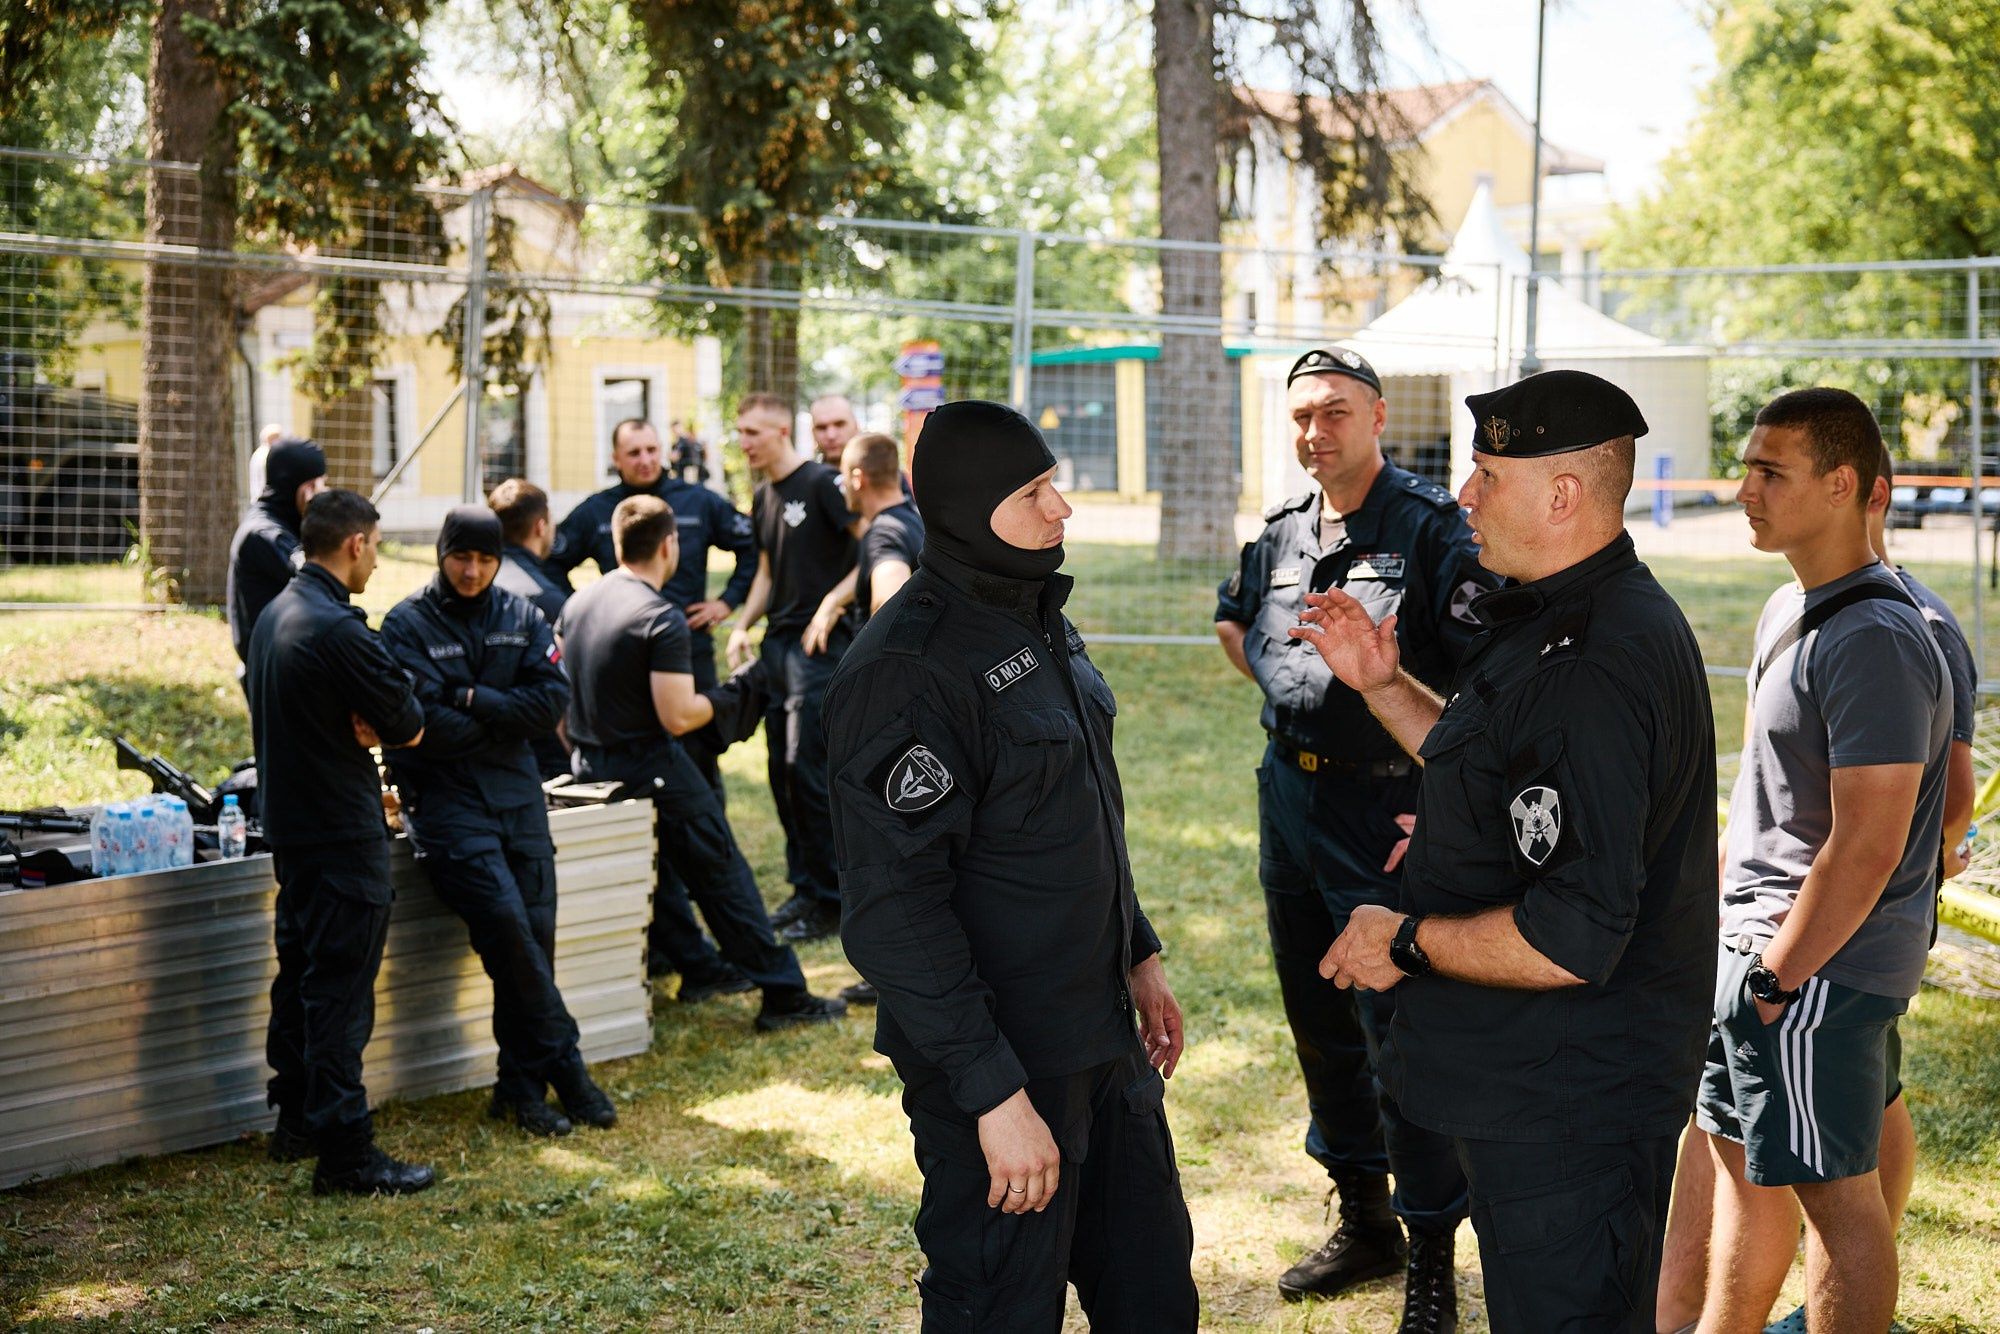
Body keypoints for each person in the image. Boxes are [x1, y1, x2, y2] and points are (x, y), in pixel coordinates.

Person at [1295, 370, 1717, 1332]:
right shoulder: (1555, 611)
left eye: (1487, 474)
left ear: (1563, 494)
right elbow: (1496, 767)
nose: (1464, 495)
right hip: (1537, 1085)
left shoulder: (1601, 659)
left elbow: (1571, 935)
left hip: (1576, 1100)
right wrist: (1385, 684)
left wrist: (1401, 938)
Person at [825, 400, 1198, 1331]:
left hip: (1103, 1042)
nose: (1061, 509)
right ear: (967, 507)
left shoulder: (1034, 614)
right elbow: (893, 911)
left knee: (1154, 1292)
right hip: (1002, 1063)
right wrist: (993, 1096)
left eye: (1053, 484)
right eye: (1035, 492)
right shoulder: (906, 668)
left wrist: (1138, 955)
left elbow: (1081, 813)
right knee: (1000, 1307)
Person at [1653, 439, 1976, 1334]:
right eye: (1746, 468)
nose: (1743, 489)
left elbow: (1874, 841)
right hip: (1756, 951)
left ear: (1847, 487)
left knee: (1837, 1198)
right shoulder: (1788, 606)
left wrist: (1777, 973)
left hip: (1809, 971)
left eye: (1770, 473)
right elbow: (1766, 800)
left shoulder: (1883, 634)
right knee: (1742, 1168)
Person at [1214, 347, 1487, 1326]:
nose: (1313, 433)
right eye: (1298, 416)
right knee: (1316, 1014)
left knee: (1394, 1029)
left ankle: (1431, 1254)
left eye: (1333, 412)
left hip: (1382, 811)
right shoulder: (1284, 528)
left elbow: (1478, 684)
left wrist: (1435, 788)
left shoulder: (1425, 530)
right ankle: (1364, 1217)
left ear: (1376, 416)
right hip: (1288, 798)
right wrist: (1300, 713)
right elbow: (1231, 621)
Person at [557, 494, 846, 1029]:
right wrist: (742, 689)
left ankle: (700, 969)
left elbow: (564, 697)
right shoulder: (657, 617)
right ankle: (784, 995)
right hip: (653, 764)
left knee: (658, 871)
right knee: (723, 874)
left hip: (592, 765)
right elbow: (679, 716)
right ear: (671, 545)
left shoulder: (578, 604)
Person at [379, 506, 617, 1138]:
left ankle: (518, 1090)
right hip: (446, 805)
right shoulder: (405, 624)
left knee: (532, 941)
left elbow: (550, 701)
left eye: (485, 560)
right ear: (441, 552)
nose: (473, 570)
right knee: (509, 933)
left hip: (518, 801)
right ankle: (568, 1069)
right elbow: (420, 727)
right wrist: (496, 716)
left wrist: (471, 699)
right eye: (462, 557)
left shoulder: (522, 614)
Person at [247, 488, 434, 1196]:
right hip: (339, 831)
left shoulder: (275, 613)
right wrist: (378, 717)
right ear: (356, 543)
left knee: (299, 978)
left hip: (292, 826)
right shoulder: (338, 629)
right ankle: (346, 1154)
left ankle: (294, 1122)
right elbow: (410, 722)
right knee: (340, 993)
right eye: (377, 548)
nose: (378, 564)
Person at [725, 392, 863, 943]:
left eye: (752, 432)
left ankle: (832, 900)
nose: (744, 442)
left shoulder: (822, 485)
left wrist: (832, 604)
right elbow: (764, 571)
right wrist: (742, 624)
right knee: (780, 773)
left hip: (820, 648)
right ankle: (805, 890)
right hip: (778, 646)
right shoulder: (762, 495)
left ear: (782, 431)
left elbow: (869, 551)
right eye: (740, 432)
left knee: (807, 771)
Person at [816, 429, 926, 1008]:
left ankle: (891, 976)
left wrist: (868, 679)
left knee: (885, 855)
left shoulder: (883, 532)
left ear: (858, 478)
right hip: (928, 708)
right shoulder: (913, 520)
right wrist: (836, 598)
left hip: (892, 715)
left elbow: (890, 596)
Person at [549, 418, 755, 697]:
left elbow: (752, 546)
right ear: (616, 459)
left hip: (688, 645)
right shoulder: (595, 512)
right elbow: (550, 563)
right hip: (622, 648)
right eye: (634, 453)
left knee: (700, 734)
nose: (645, 460)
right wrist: (584, 612)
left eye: (651, 450)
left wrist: (726, 602)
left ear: (661, 449)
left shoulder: (699, 502)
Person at [228, 434, 328, 664]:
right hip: (272, 664)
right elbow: (318, 579)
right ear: (307, 489)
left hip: (281, 652)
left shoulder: (278, 521)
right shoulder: (266, 534)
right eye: (322, 483)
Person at [809, 393, 859, 467]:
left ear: (856, 426)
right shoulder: (806, 477)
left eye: (839, 424)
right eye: (821, 428)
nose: (831, 436)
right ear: (813, 433)